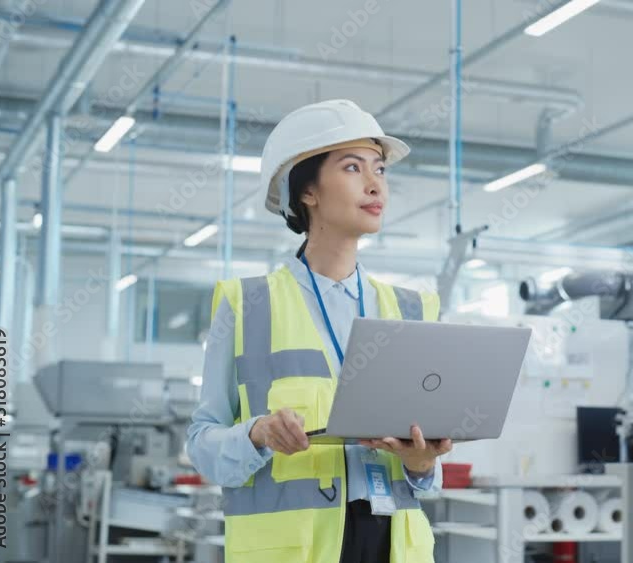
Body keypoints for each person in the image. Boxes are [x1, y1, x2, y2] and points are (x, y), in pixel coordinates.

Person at [186, 99, 452, 563]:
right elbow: (202, 444)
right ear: (306, 190)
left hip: (396, 545)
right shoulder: (246, 305)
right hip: (294, 550)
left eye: (381, 170)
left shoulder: (413, 309)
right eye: (353, 168)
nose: (375, 185)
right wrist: (258, 433)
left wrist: (422, 462)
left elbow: (425, 472)